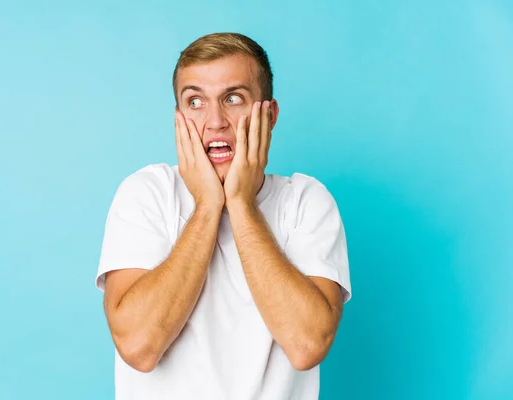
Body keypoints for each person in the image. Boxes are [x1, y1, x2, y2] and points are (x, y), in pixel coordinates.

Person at [95, 32, 352, 400]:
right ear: (179, 118)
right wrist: (207, 206)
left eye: (233, 98)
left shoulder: (306, 202)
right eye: (195, 101)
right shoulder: (145, 194)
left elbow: (306, 345)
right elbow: (139, 347)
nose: (215, 121)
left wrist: (242, 204)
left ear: (270, 114)